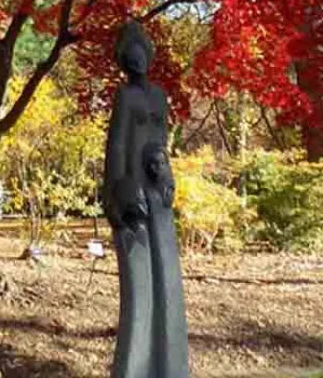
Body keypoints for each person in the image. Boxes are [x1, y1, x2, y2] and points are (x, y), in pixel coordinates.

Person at [103, 20, 189, 378]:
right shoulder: (125, 96)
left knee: (167, 275)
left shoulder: (158, 96)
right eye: (130, 57)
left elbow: (162, 139)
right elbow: (119, 143)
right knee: (140, 282)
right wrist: (119, 187)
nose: (136, 62)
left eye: (141, 56)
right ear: (124, 61)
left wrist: (165, 173)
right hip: (133, 191)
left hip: (158, 187)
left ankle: (170, 366)